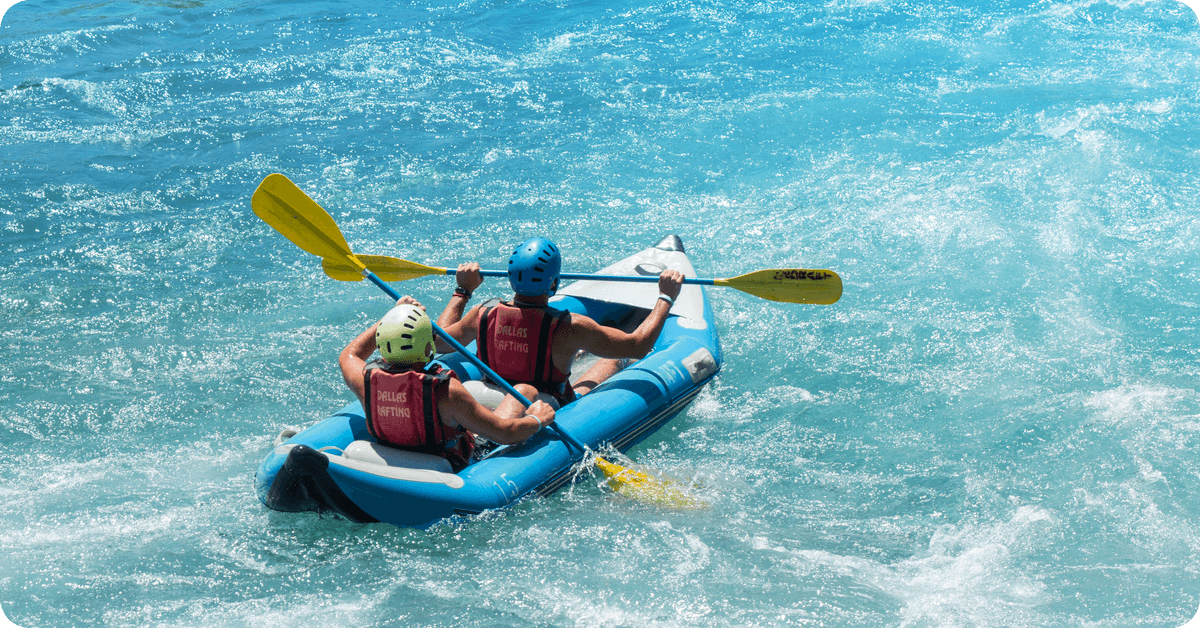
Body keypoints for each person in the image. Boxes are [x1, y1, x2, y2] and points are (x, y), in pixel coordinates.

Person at [437, 237, 684, 417]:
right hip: (541, 406)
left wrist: (462, 290)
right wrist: (666, 297)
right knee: (612, 361)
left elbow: (438, 342)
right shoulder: (569, 326)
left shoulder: (483, 313)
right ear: (553, 284)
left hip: (484, 396)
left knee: (570, 352)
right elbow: (637, 346)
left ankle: (575, 353)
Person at [338, 298, 555, 471]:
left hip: (394, 452)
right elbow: (505, 434)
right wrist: (537, 420)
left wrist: (391, 318)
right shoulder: (446, 390)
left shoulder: (364, 381)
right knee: (525, 390)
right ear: (427, 349)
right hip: (451, 461)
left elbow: (349, 354)